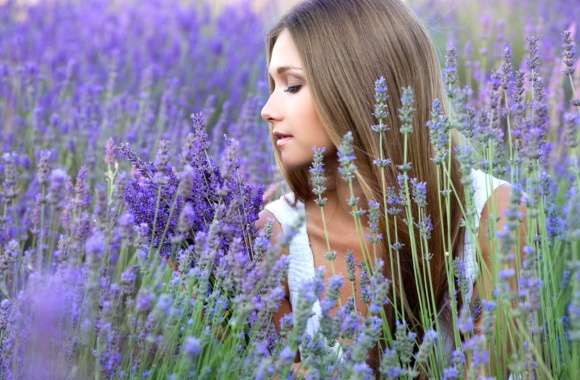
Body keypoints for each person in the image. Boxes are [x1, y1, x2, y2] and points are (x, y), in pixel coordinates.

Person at [255, 0, 527, 377]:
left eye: (293, 85)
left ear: (356, 86)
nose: (267, 109)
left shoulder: (493, 212)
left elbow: (494, 368)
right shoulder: (279, 232)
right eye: (273, 86)